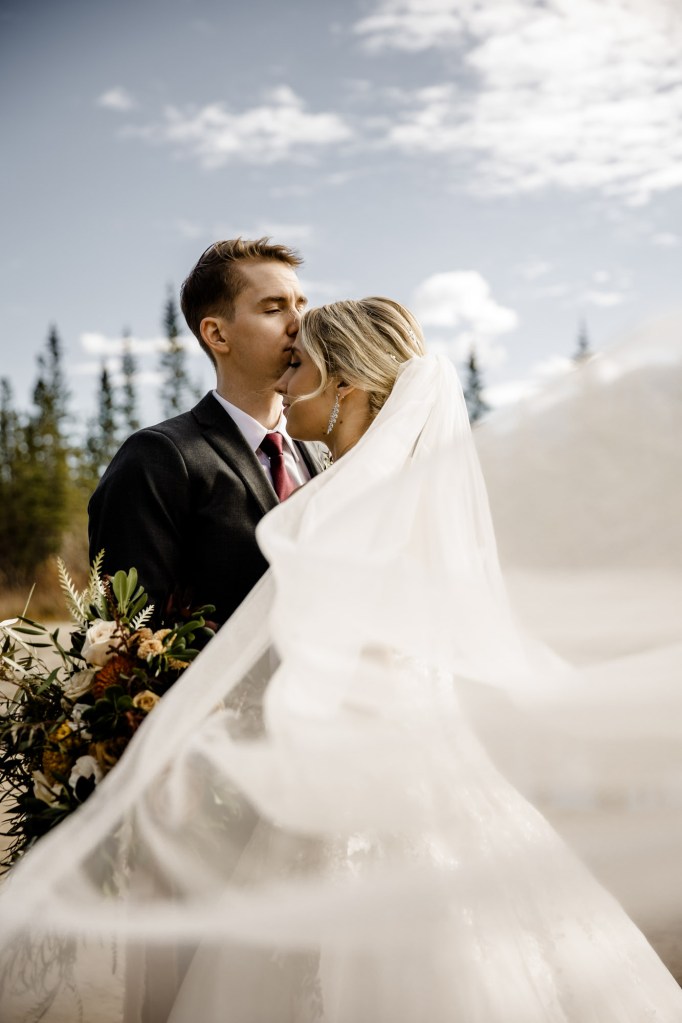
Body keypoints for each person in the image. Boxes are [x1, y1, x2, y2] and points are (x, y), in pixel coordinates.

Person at [1, 298, 682, 1022]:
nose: (287, 384)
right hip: (441, 775)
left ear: (348, 387)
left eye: (302, 368)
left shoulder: (332, 508)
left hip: (352, 793)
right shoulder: (417, 498)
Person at [88, 237, 323, 627]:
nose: (300, 324)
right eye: (273, 308)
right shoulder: (158, 457)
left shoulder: (323, 451)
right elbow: (129, 637)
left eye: (301, 304)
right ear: (217, 335)